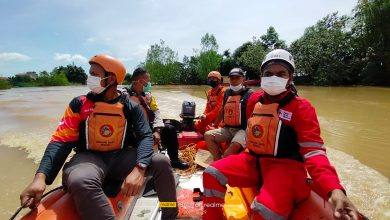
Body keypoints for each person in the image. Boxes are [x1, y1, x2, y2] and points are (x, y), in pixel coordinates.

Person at [202, 49, 359, 220]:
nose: (273, 77)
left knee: (263, 210)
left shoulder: (301, 108)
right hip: (253, 160)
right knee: (211, 173)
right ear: (262, 76)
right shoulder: (255, 101)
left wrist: (334, 189)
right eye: (268, 73)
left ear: (290, 78)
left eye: (280, 73)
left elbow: (314, 153)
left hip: (286, 169)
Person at [19, 55, 178, 220]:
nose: (89, 78)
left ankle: (169, 213)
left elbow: (146, 136)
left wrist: (140, 168)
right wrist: (40, 177)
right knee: (80, 180)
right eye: (90, 73)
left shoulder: (131, 107)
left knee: (161, 162)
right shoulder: (79, 104)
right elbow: (61, 141)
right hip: (88, 158)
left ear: (112, 78)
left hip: (120, 157)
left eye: (94, 74)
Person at [125, 67, 189, 170]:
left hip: (149, 127)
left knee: (170, 129)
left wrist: (157, 130)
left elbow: (157, 113)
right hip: (133, 131)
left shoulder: (148, 96)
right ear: (140, 81)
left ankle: (174, 161)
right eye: (148, 81)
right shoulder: (124, 95)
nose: (149, 84)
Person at [204, 68, 253, 160]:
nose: (234, 80)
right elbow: (222, 110)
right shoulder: (227, 92)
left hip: (242, 130)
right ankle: (218, 161)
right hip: (228, 128)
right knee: (208, 135)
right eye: (232, 78)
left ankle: (223, 161)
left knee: (228, 153)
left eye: (237, 78)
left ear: (243, 79)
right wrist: (214, 125)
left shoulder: (250, 94)